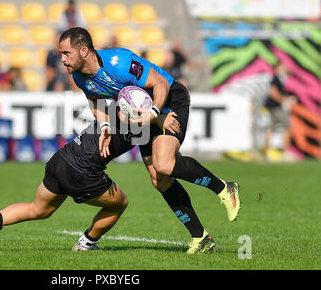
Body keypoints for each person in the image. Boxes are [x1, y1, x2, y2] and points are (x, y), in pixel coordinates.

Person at [58, 27, 241, 253]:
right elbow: (96, 100)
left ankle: (224, 187)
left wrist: (156, 114)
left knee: (164, 164)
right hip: (144, 114)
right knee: (160, 179)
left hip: (170, 99)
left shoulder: (120, 62)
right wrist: (105, 125)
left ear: (84, 51)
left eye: (66, 53)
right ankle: (201, 238)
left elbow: (160, 84)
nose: (62, 59)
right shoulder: (79, 77)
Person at [0, 118, 134, 252]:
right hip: (82, 171)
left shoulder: (111, 104)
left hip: (61, 159)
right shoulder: (145, 123)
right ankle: (85, 244)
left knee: (39, 209)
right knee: (119, 204)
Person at [263, 62, 296, 161]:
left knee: (271, 129)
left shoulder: (279, 79)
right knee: (287, 125)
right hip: (275, 107)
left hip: (272, 107)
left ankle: (266, 153)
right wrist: (284, 100)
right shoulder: (276, 79)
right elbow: (273, 93)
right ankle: (285, 153)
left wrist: (286, 98)